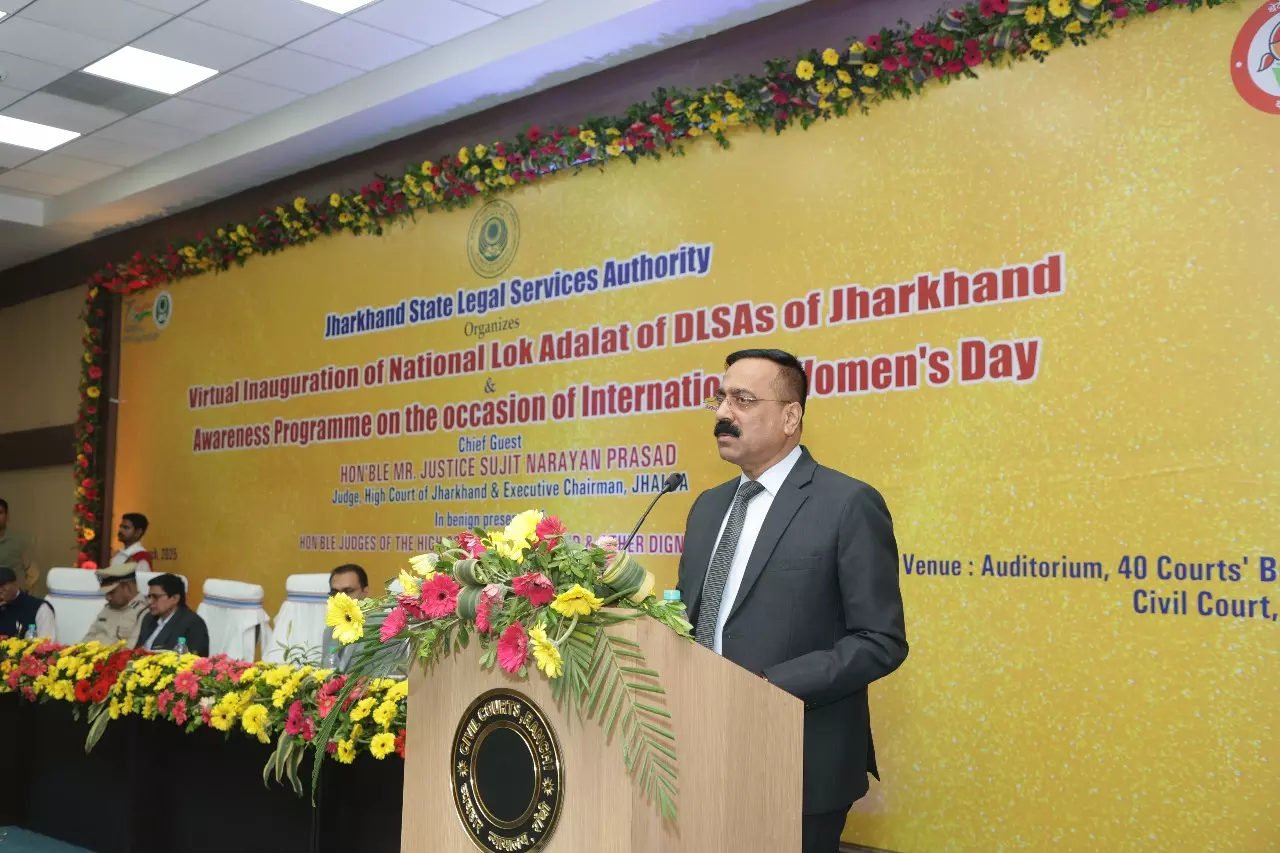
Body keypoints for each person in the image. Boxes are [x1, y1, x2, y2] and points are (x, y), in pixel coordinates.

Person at [676, 348, 908, 853]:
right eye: (720, 398)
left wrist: (768, 688)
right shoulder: (706, 507)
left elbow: (880, 640)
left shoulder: (847, 503)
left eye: (742, 400)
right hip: (702, 750)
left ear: (790, 417)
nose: (723, 413)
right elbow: (694, 622)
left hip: (799, 759)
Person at [136, 574, 209, 656]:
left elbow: (196, 659)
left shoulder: (193, 624)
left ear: (175, 599)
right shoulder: (149, 618)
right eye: (149, 597)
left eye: (155, 597)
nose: (149, 602)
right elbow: (137, 650)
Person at [82, 563, 147, 646]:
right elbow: (89, 636)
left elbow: (130, 649)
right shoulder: (109, 608)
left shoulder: (143, 612)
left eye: (111, 592)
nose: (107, 598)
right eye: (106, 593)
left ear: (127, 587)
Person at [324, 564, 368, 671]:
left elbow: (393, 677)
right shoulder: (330, 630)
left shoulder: (383, 628)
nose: (341, 598)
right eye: (335, 592)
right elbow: (324, 673)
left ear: (365, 592)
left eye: (348, 591)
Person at [0, 566, 55, 639]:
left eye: (3, 585)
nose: (0, 590)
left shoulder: (40, 608)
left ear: (15, 583)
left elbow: (47, 642)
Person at [0, 499, 37, 591]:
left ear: (7, 516)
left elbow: (33, 573)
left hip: (15, 596)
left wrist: (22, 592)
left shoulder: (20, 540)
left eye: (0, 513)